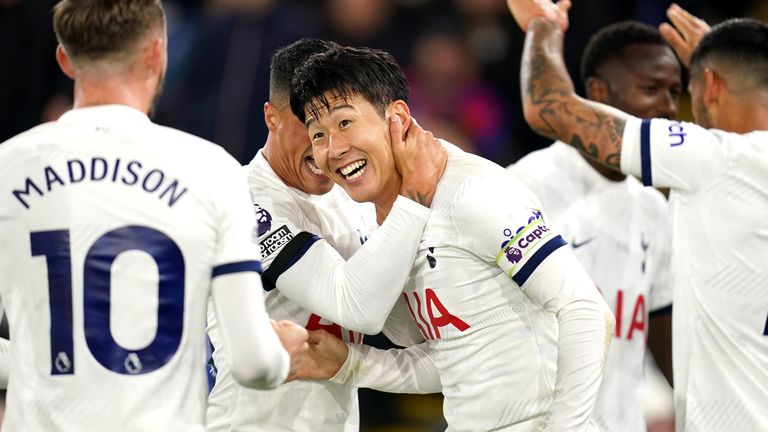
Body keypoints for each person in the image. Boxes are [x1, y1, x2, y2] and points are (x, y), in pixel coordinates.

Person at [0, 1, 308, 430]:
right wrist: (285, 352)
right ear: (156, 53)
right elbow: (253, 363)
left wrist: (49, 365)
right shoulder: (212, 169)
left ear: (65, 60)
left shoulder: (8, 167)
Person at [289, 44, 615, 431]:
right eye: (318, 135)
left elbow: (586, 309)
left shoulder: (472, 192)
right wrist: (349, 364)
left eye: (345, 124)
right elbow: (452, 359)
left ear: (397, 117)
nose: (334, 149)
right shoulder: (379, 223)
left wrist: (568, 427)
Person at [506, 0, 768, 430]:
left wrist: (543, 26)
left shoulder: (714, 161)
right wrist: (722, 63)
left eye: (686, 92)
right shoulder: (528, 185)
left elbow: (546, 104)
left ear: (713, 88)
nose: (675, 109)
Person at [206, 38, 443, 431]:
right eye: (311, 128)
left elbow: (404, 328)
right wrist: (412, 199)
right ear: (272, 117)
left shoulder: (351, 197)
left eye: (339, 124)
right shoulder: (244, 202)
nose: (326, 151)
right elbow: (356, 308)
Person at [508, 20, 677, 432]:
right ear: (599, 94)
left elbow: (660, 332)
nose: (669, 108)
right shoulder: (526, 186)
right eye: (652, 89)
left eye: (675, 92)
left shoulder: (654, 207)